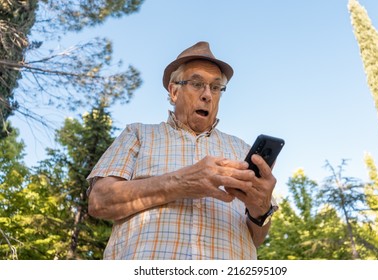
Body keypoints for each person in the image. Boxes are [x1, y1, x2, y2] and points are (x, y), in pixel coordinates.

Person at [87, 41, 279, 260]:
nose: (208, 94)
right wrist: (179, 183)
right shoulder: (138, 134)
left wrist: (261, 209)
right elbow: (99, 201)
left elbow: (256, 238)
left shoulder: (242, 149)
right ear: (174, 91)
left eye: (216, 87)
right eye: (197, 84)